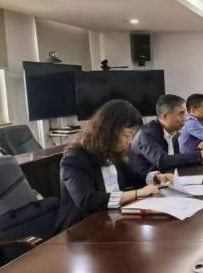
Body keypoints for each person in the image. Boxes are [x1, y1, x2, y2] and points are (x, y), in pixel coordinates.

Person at [56, 99, 172, 231]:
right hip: (81, 230)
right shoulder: (74, 159)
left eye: (132, 136)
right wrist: (136, 193)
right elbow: (87, 200)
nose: (129, 141)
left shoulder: (110, 153)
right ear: (109, 131)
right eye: (126, 135)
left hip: (111, 220)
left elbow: (134, 178)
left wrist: (157, 178)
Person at [128, 94, 203, 180]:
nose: (185, 118)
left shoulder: (174, 133)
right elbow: (162, 161)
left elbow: (176, 161)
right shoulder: (146, 134)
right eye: (181, 114)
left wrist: (199, 160)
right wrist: (199, 156)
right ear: (164, 116)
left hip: (166, 181)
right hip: (144, 185)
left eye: (185, 113)